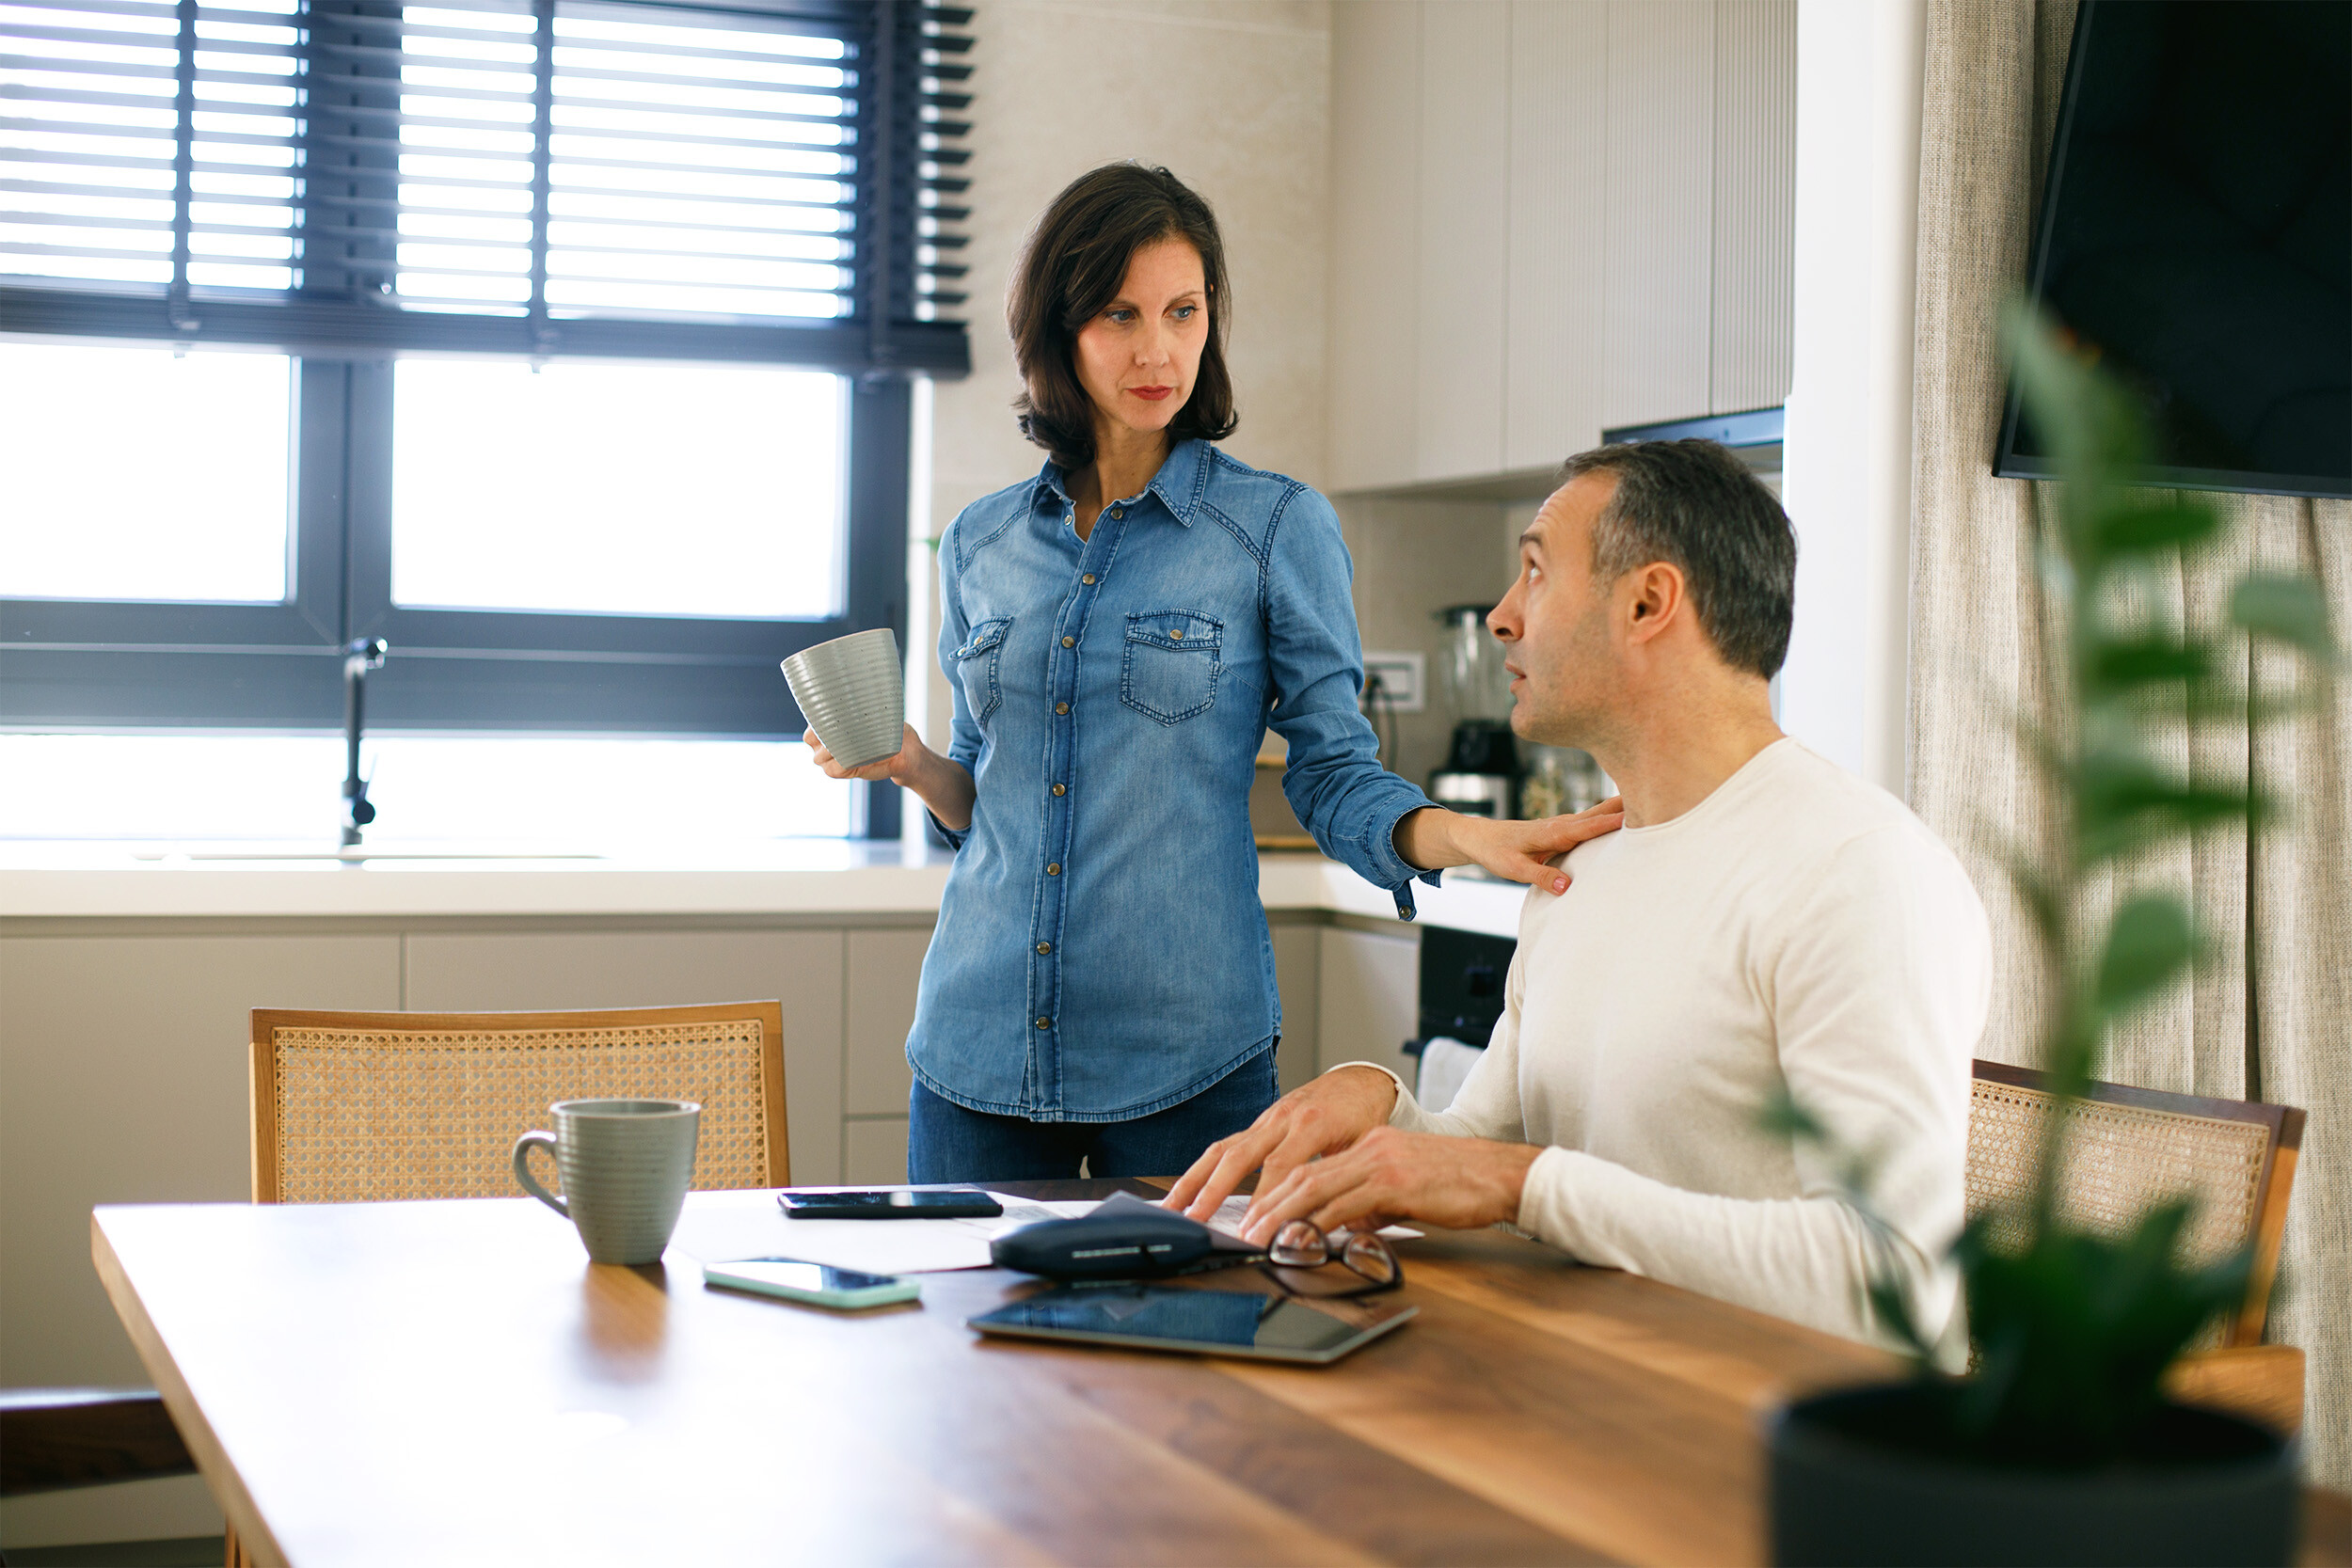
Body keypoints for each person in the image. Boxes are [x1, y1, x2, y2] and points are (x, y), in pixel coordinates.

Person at [808, 164, 1625, 1183]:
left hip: (1187, 1063)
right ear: (1058, 331)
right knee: (963, 1341)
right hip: (978, 1054)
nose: (1159, 349)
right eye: (1119, 313)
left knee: (1193, 1342)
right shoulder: (979, 544)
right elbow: (986, 797)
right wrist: (912, 762)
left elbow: (1332, 770)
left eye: (1183, 311)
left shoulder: (1275, 527)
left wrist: (1461, 835)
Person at [1167, 438, 1993, 1350]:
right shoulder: (1583, 866)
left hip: (1764, 1444)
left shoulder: (1857, 870)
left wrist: (1526, 1183)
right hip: (1585, 1379)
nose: (1500, 617)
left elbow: (1897, 1282)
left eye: (1532, 573)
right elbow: (1482, 1145)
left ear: (1646, 602)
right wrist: (1379, 1106)